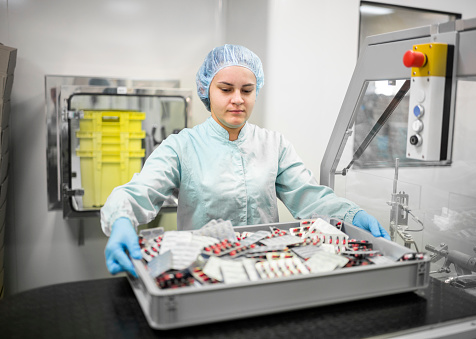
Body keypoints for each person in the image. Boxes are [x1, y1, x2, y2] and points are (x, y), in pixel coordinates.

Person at [101, 44, 390, 277]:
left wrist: (351, 214)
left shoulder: (273, 145)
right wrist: (122, 221)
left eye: (247, 90)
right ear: (206, 91)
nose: (237, 99)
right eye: (226, 89)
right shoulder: (181, 146)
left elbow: (310, 197)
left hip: (267, 269)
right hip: (203, 272)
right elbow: (139, 191)